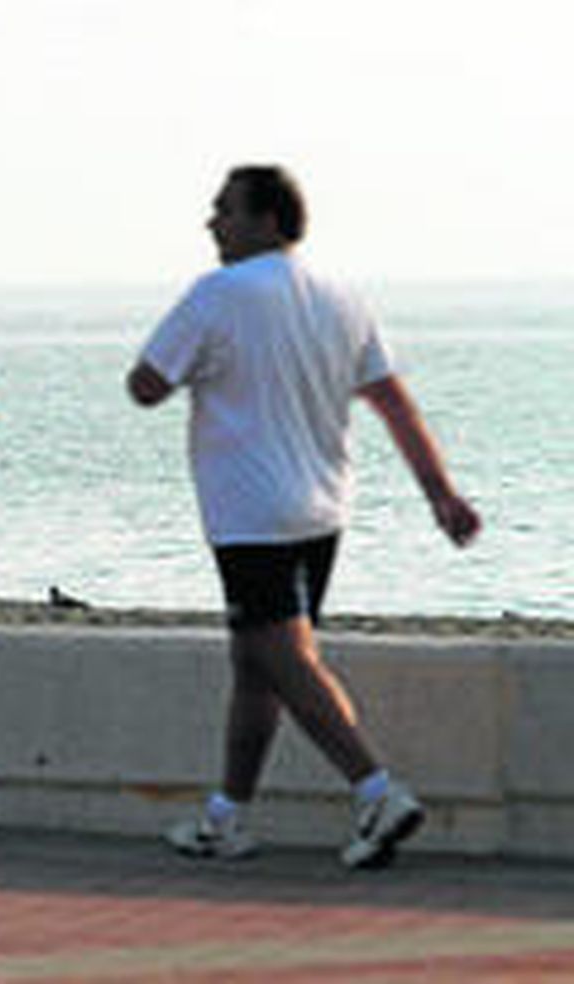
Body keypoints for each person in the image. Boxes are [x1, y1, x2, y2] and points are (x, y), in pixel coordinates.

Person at [126, 164, 482, 869]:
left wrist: (176, 370)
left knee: (281, 657)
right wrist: (441, 493)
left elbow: (146, 386)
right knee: (260, 665)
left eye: (224, 209)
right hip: (324, 510)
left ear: (266, 219)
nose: (211, 222)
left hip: (251, 513)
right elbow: (392, 401)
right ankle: (227, 818)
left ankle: (376, 789)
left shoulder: (217, 295)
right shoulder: (341, 298)